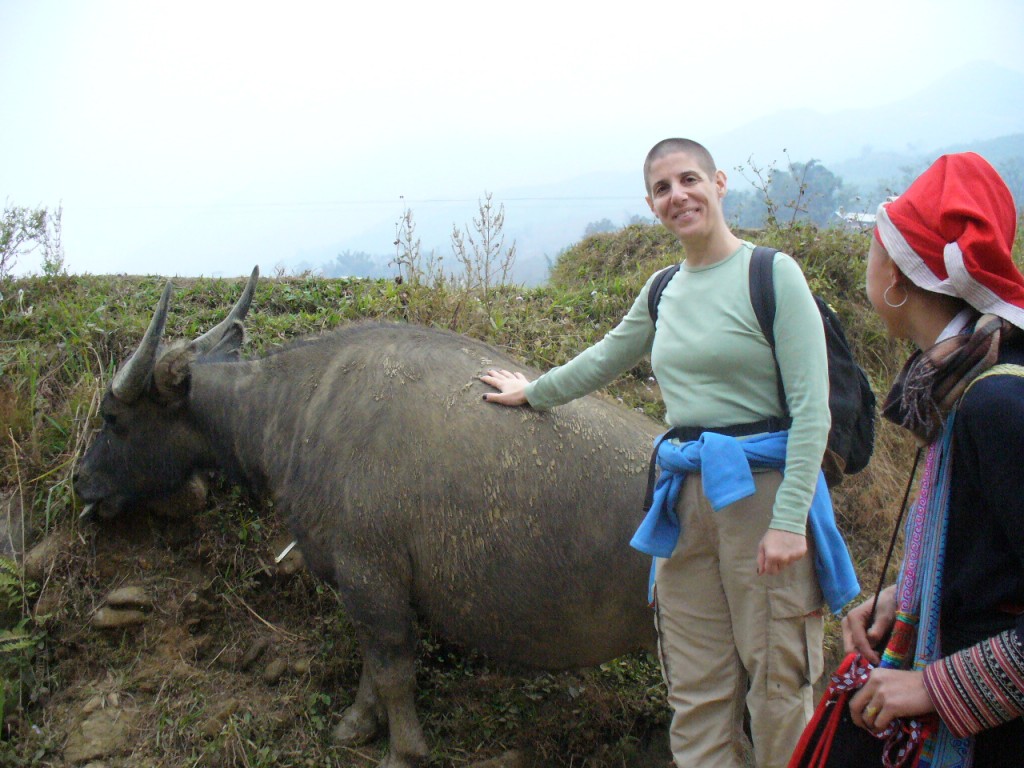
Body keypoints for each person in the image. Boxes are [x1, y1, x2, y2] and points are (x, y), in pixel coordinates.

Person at [481, 138, 857, 768]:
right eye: (662, 188)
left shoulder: (771, 273)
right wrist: (535, 392)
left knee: (777, 685)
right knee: (696, 687)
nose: (677, 196)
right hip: (683, 499)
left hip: (762, 496)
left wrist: (792, 520)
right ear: (651, 204)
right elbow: (605, 356)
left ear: (719, 182)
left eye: (689, 180)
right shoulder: (663, 290)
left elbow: (811, 407)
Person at [841, 152, 1024, 766]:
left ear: (894, 274)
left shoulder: (995, 404)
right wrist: (909, 592)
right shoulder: (960, 385)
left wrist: (930, 686)